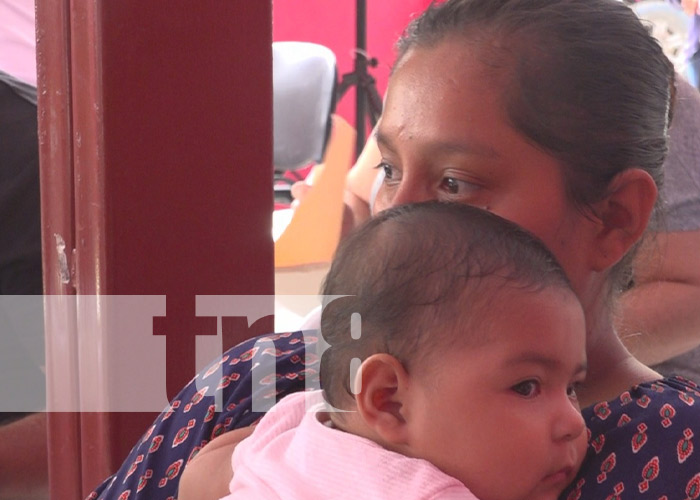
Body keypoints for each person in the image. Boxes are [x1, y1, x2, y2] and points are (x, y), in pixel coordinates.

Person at [89, 1, 700, 499]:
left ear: (614, 218)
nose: (395, 213)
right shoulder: (268, 387)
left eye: (455, 182)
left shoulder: (670, 455)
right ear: (383, 397)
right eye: (387, 167)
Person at [184, 202, 589, 500]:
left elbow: (194, 480)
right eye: (527, 387)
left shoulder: (305, 418)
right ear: (389, 400)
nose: (574, 422)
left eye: (572, 387)